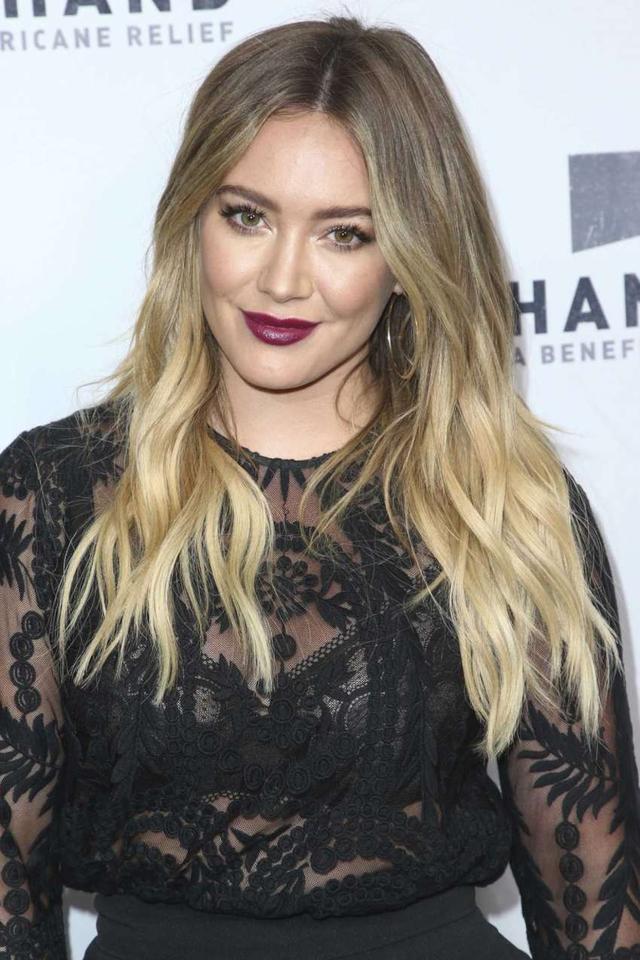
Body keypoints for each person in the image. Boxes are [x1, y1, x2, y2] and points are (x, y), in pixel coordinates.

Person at [0, 12, 638, 960]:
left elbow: (593, 903)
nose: (283, 280)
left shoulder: (505, 504)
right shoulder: (54, 495)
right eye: (247, 216)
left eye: (345, 234)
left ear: (410, 258)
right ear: (191, 219)